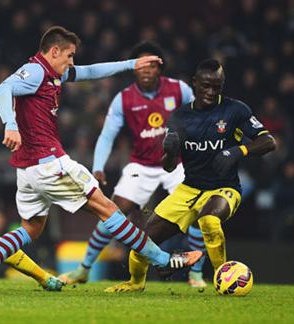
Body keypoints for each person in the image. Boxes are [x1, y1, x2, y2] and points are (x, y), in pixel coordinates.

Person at [0, 26, 203, 292]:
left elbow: (91, 71)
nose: (71, 62)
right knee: (108, 208)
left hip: (28, 169)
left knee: (31, 228)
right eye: (69, 55)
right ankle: (162, 260)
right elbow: (1, 89)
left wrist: (131, 64)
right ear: (54, 51)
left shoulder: (53, 74)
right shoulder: (35, 71)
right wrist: (10, 124)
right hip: (49, 163)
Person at [105, 58, 276, 292]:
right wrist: (169, 151)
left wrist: (238, 150)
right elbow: (168, 167)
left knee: (209, 220)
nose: (210, 92)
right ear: (194, 83)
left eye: (216, 86)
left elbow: (268, 141)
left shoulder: (235, 110)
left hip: (223, 189)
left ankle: (222, 278)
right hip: (188, 189)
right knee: (142, 242)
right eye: (205, 86)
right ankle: (135, 283)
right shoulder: (180, 118)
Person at [59, 41, 207, 290]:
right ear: (134, 69)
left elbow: (200, 117)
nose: (146, 70)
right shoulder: (124, 99)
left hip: (178, 162)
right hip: (142, 165)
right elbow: (107, 135)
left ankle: (196, 273)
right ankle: (84, 269)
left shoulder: (179, 90)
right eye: (141, 65)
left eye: (151, 64)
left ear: (159, 67)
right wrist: (98, 166)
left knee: (198, 210)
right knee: (113, 211)